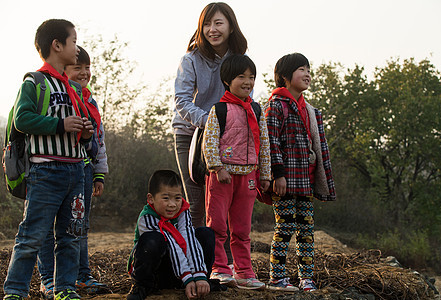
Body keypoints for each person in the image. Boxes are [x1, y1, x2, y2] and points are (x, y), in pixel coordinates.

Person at [3, 19, 93, 300]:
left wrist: (86, 133)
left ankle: (65, 289)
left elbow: (78, 128)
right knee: (32, 236)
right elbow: (21, 119)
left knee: (70, 236)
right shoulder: (34, 81)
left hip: (75, 171)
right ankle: (15, 290)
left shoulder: (74, 88)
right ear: (57, 45)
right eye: (73, 41)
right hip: (45, 171)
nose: (76, 48)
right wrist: (60, 124)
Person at [37, 46, 108, 299]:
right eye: (77, 67)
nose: (84, 72)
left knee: (79, 225)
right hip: (50, 169)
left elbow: (99, 138)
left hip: (84, 170)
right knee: (46, 227)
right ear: (63, 69)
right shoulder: (54, 95)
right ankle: (49, 280)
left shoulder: (89, 100)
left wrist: (99, 173)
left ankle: (81, 274)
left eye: (87, 67)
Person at [264, 53, 336, 292]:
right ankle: (278, 277)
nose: (307, 74)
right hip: (284, 180)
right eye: (301, 69)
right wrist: (278, 174)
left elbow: (317, 146)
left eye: (308, 70)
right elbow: (271, 142)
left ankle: (306, 277)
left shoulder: (311, 111)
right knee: (284, 228)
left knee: (306, 230)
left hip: (305, 180)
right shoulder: (275, 106)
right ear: (285, 76)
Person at [172, 2, 248, 229]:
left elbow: (245, 100)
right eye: (206, 24)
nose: (212, 29)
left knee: (223, 203)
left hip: (227, 139)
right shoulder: (191, 60)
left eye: (218, 23)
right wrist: (212, 122)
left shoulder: (240, 61)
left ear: (231, 27)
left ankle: (225, 264)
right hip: (191, 135)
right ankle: (197, 261)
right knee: (197, 204)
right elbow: (182, 102)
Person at [202, 54, 271, 290]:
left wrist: (265, 175)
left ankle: (244, 271)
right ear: (227, 81)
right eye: (241, 76)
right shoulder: (219, 109)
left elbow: (264, 143)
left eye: (251, 77)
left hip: (248, 177)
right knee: (218, 225)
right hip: (222, 177)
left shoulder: (257, 110)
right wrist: (217, 167)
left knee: (242, 229)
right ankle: (219, 268)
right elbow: (209, 141)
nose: (247, 81)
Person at [126, 170, 215, 300]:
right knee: (153, 240)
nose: (172, 204)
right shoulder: (147, 218)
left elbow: (188, 240)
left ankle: (201, 283)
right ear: (151, 198)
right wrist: (186, 277)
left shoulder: (183, 213)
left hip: (178, 270)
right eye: (166, 198)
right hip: (157, 271)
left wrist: (198, 275)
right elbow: (173, 245)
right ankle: (142, 285)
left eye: (177, 198)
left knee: (205, 233)